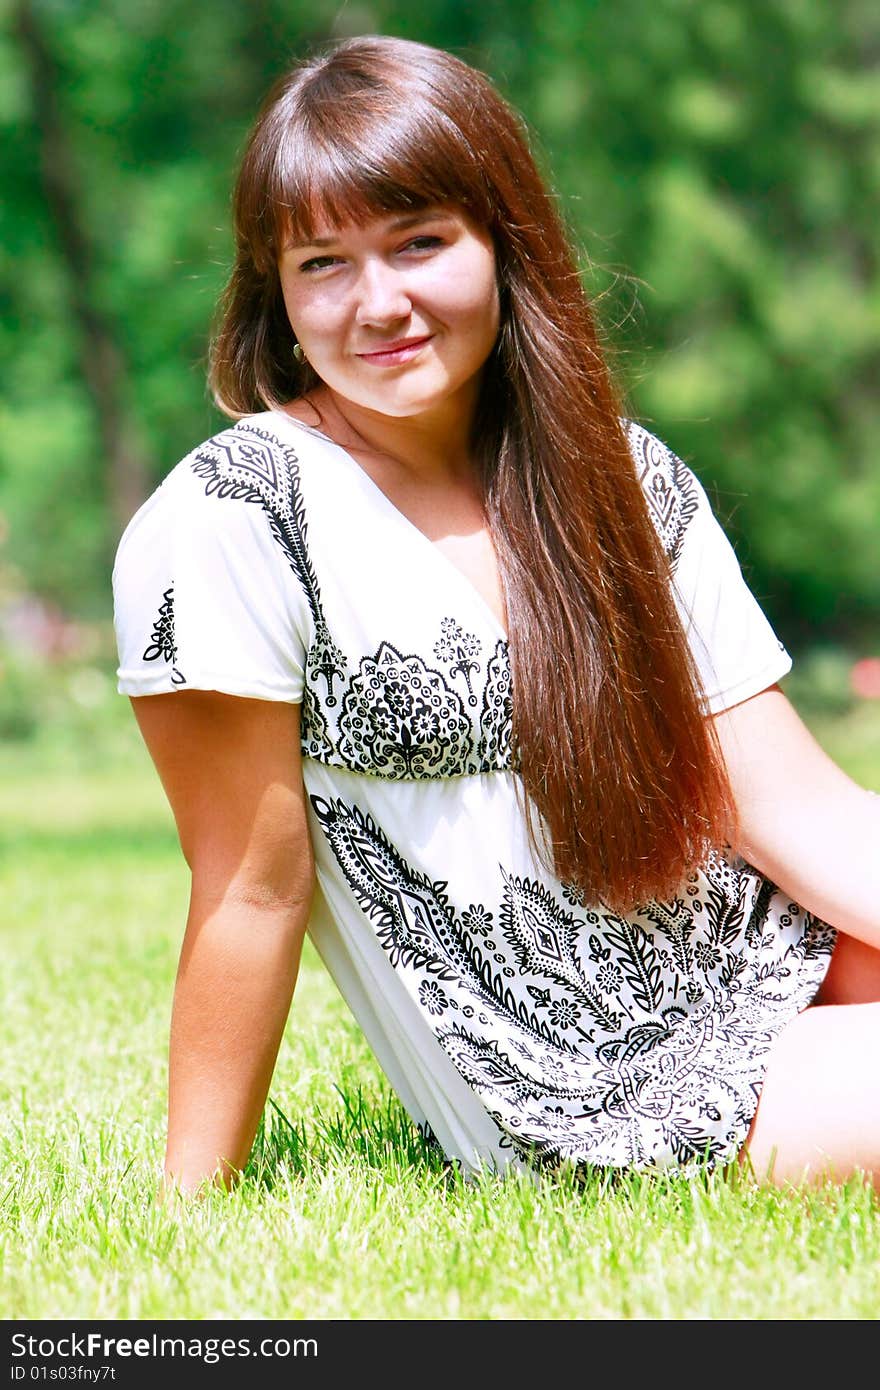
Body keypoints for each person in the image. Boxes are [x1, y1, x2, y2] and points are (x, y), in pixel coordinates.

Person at [112, 34, 880, 1198]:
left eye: (420, 243)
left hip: (770, 964)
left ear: (502, 244)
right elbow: (248, 887)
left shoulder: (619, 475)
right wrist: (184, 1207)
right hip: (590, 1085)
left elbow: (785, 799)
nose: (378, 304)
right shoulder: (235, 519)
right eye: (324, 263)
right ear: (274, 285)